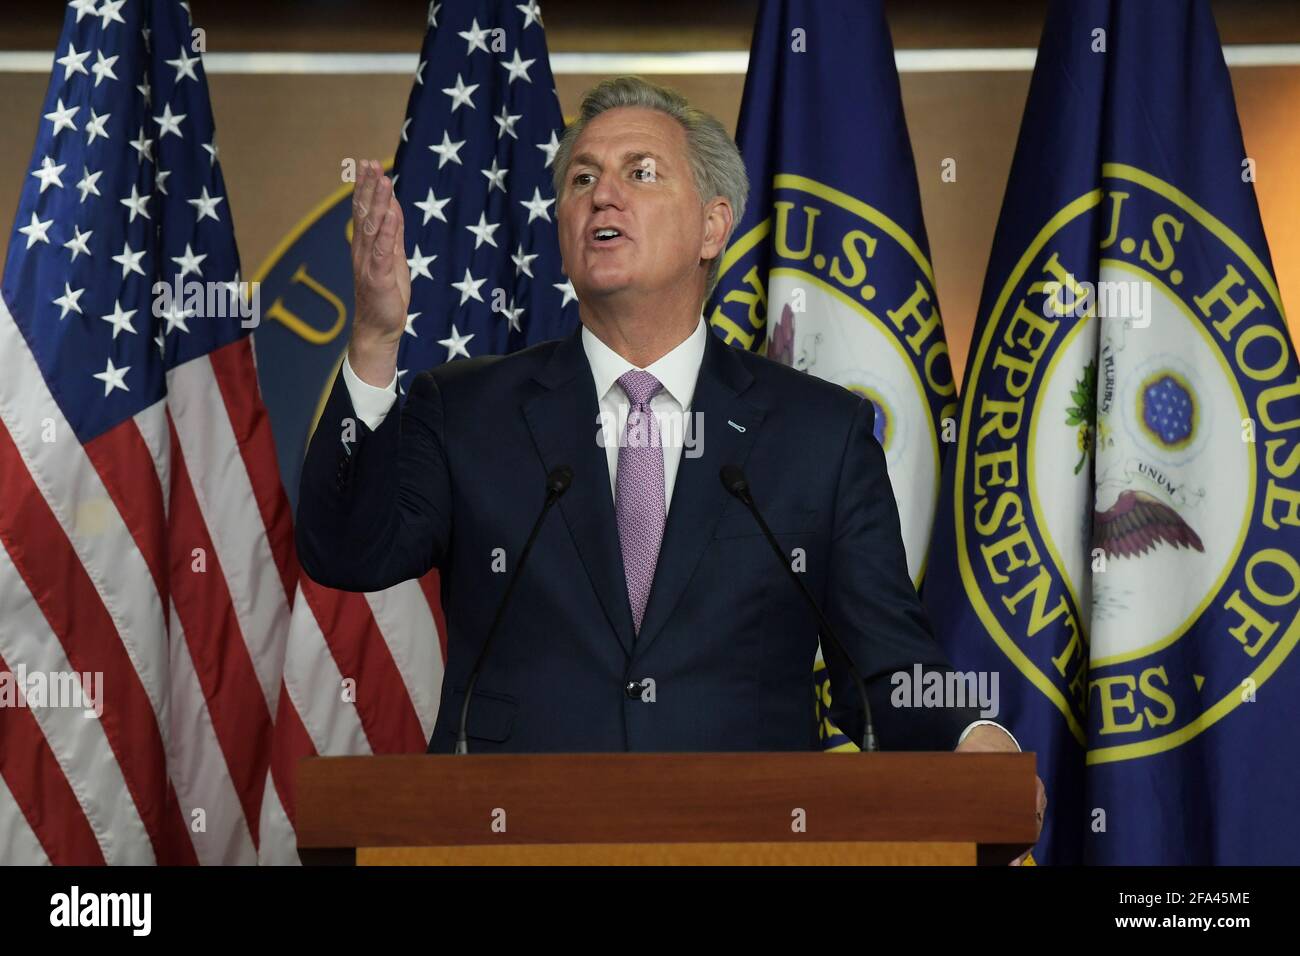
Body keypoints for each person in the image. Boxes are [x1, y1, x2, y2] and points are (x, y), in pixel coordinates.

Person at [297, 77, 1044, 851]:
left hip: (756, 846)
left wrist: (971, 736)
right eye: (582, 178)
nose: (602, 196)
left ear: (713, 227)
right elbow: (345, 549)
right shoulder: (468, 411)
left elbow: (888, 664)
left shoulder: (817, 434)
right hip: (512, 842)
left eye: (640, 172)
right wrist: (376, 343)